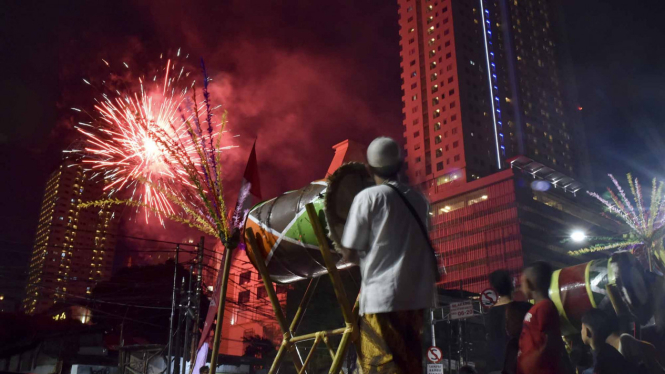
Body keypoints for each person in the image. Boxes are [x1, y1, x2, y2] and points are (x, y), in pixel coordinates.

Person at [340, 137, 436, 374]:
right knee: (409, 365)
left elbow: (349, 251)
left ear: (369, 169)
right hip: (414, 299)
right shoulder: (419, 200)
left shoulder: (368, 198)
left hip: (382, 298)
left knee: (380, 364)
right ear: (401, 165)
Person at [517, 261, 566, 374]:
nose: (520, 288)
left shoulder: (544, 307)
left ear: (528, 284)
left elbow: (551, 341)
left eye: (521, 284)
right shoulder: (538, 308)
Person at [484, 270, 531, 374]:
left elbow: (490, 342)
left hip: (497, 367)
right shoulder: (524, 308)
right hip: (520, 365)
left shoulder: (490, 313)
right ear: (512, 285)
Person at [580, 309, 637, 374]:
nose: (581, 332)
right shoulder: (610, 350)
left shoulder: (599, 365)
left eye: (582, 328)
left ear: (587, 332)